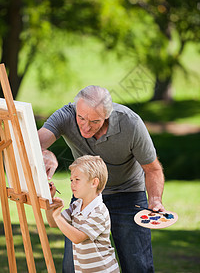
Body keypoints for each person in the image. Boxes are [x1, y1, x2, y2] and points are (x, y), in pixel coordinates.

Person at [38, 85, 165, 273]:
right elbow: (31, 144)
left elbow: (153, 169)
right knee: (72, 267)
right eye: (81, 118)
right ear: (76, 109)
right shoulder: (66, 115)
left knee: (138, 265)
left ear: (107, 115)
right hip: (86, 196)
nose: (86, 126)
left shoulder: (130, 123)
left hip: (128, 194)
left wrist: (155, 200)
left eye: (94, 121)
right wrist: (45, 152)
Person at [46, 155, 120, 273]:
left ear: (94, 182)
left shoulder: (99, 211)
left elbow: (77, 237)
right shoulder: (76, 206)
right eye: (71, 180)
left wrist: (57, 216)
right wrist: (50, 201)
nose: (72, 184)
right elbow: (53, 223)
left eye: (77, 180)